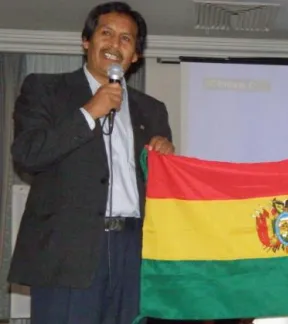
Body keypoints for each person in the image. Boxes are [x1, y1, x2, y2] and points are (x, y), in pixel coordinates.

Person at [8, 2, 174, 323]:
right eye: (106, 33)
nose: (115, 44)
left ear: (135, 56)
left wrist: (164, 160)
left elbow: (158, 188)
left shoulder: (152, 110)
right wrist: (88, 113)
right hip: (68, 249)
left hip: (134, 250)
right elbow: (28, 153)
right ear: (86, 41)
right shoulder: (45, 89)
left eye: (126, 39)